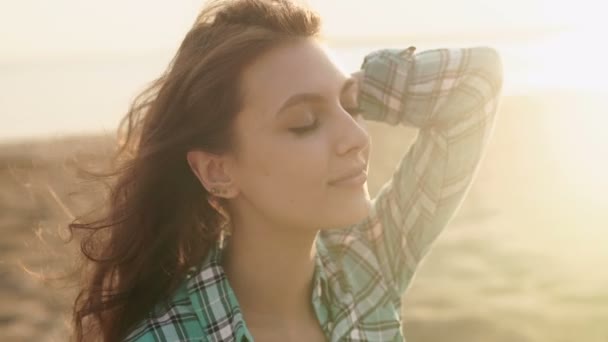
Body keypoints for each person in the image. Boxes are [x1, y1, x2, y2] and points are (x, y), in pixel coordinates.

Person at [69, 0, 503, 341]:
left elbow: (476, 82)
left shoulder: (364, 268)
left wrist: (348, 86)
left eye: (353, 109)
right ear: (217, 171)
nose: (356, 137)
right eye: (303, 123)